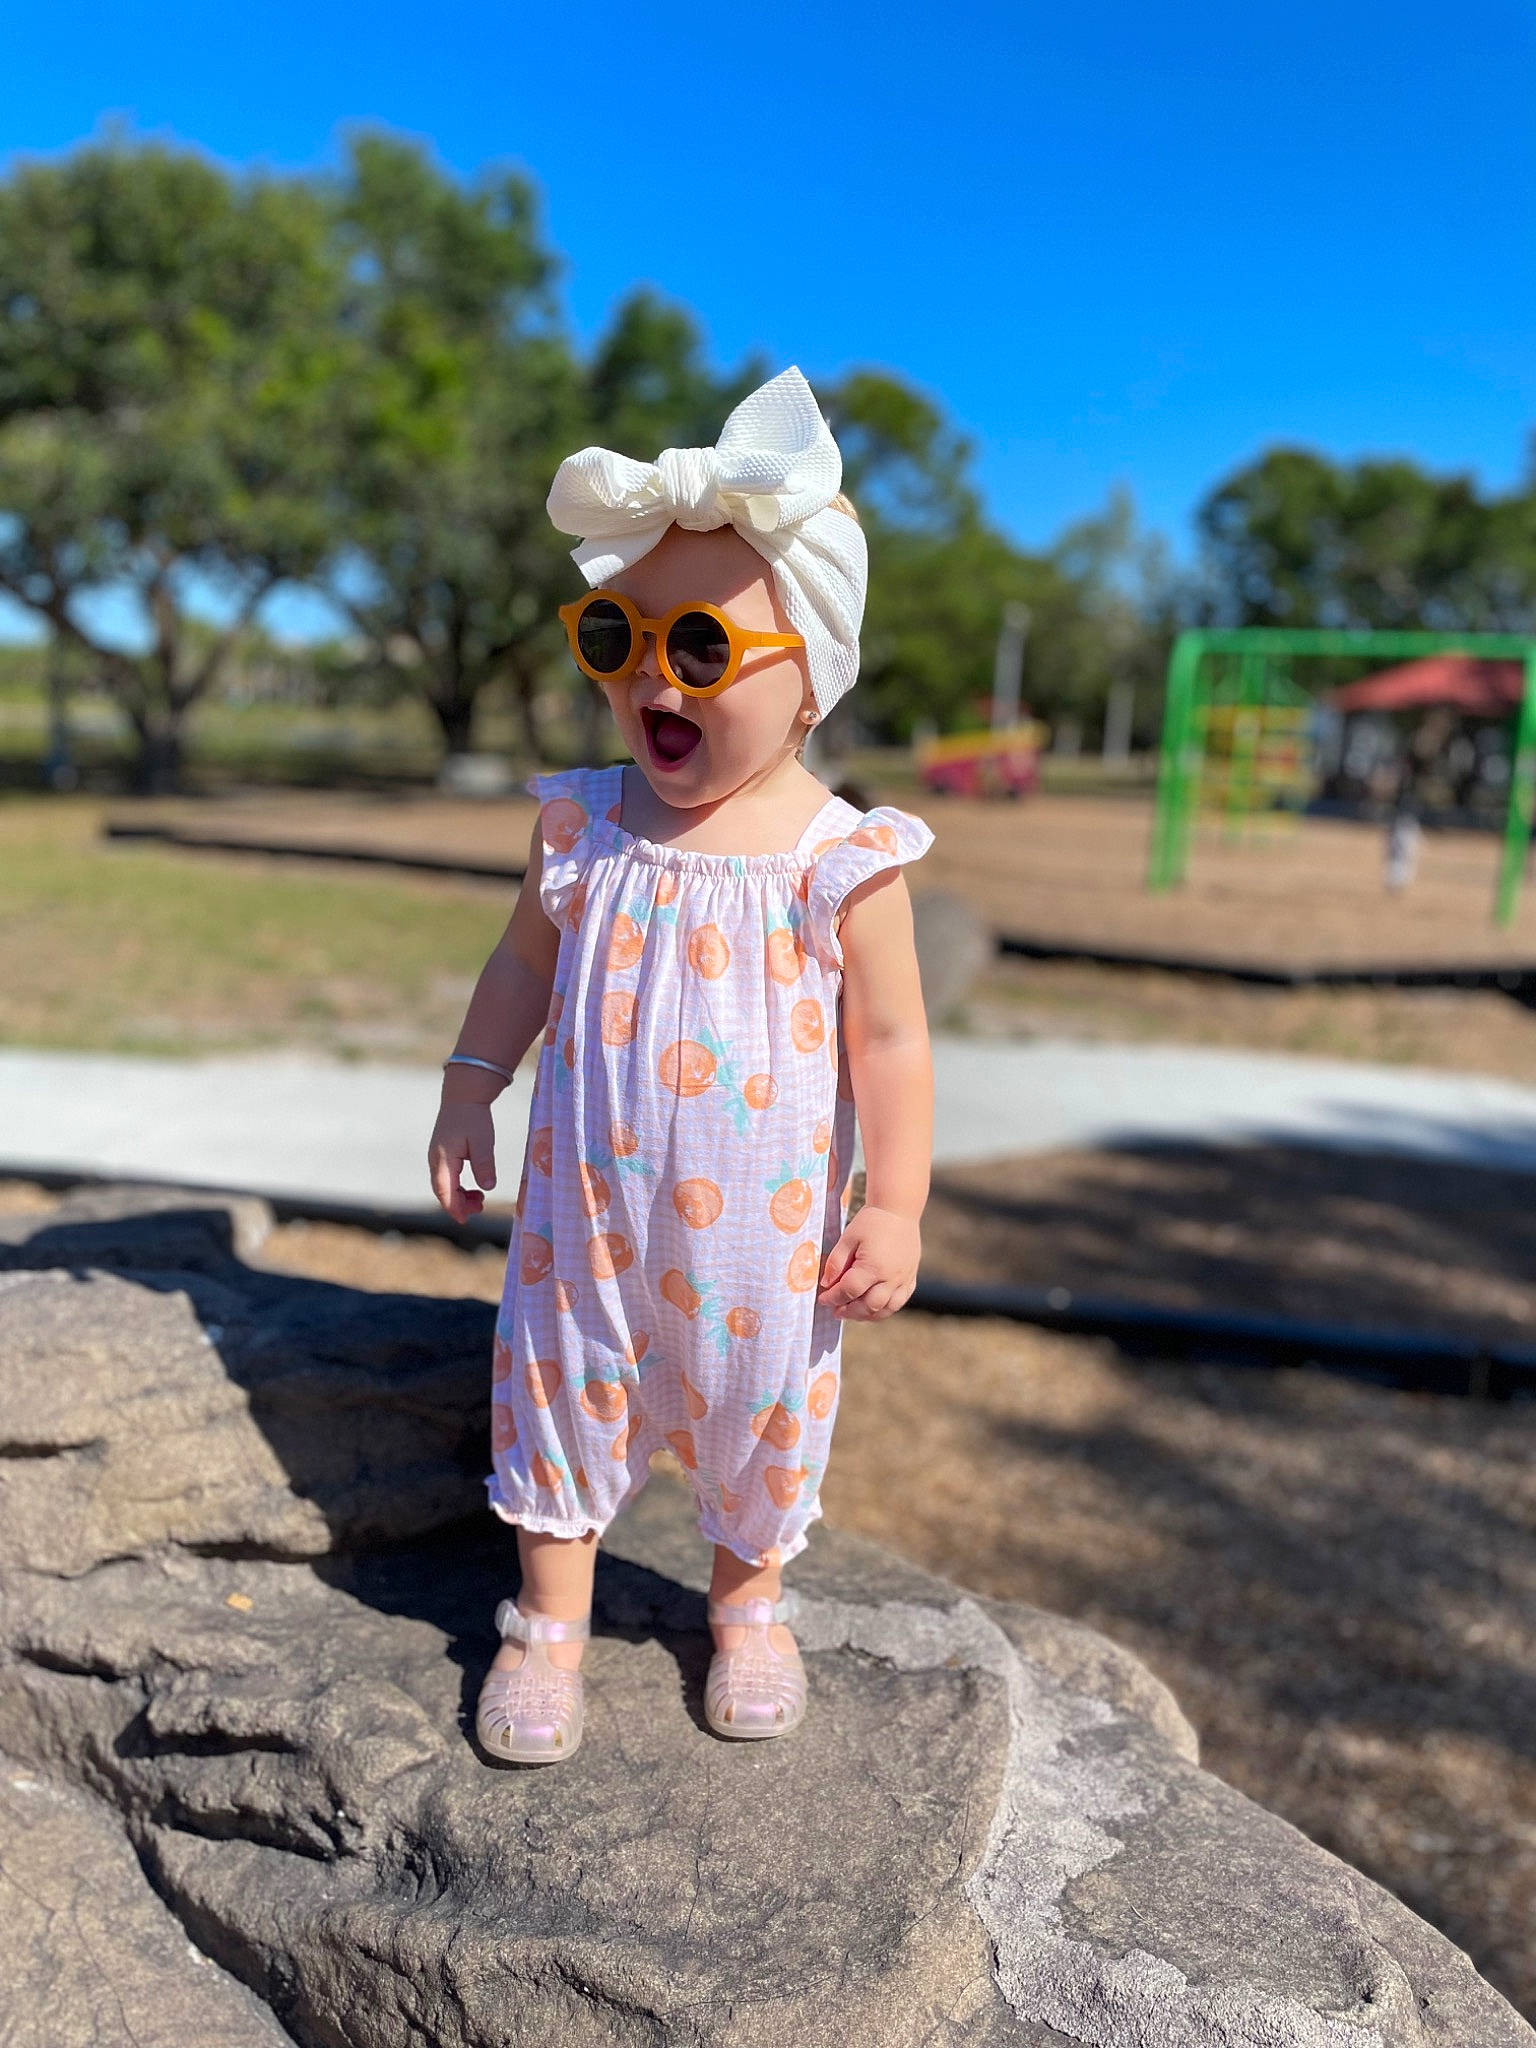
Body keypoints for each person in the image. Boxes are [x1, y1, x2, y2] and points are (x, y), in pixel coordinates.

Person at [427, 368, 935, 1763]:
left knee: (760, 1409)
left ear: (812, 672)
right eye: (619, 635)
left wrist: (893, 1204)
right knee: (555, 1385)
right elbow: (523, 968)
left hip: (761, 1251)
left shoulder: (840, 859)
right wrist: (474, 1078)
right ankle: (546, 1625)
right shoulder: (581, 828)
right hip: (581, 1227)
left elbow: (890, 1039)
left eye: (703, 649)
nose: (654, 676)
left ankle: (751, 1604)